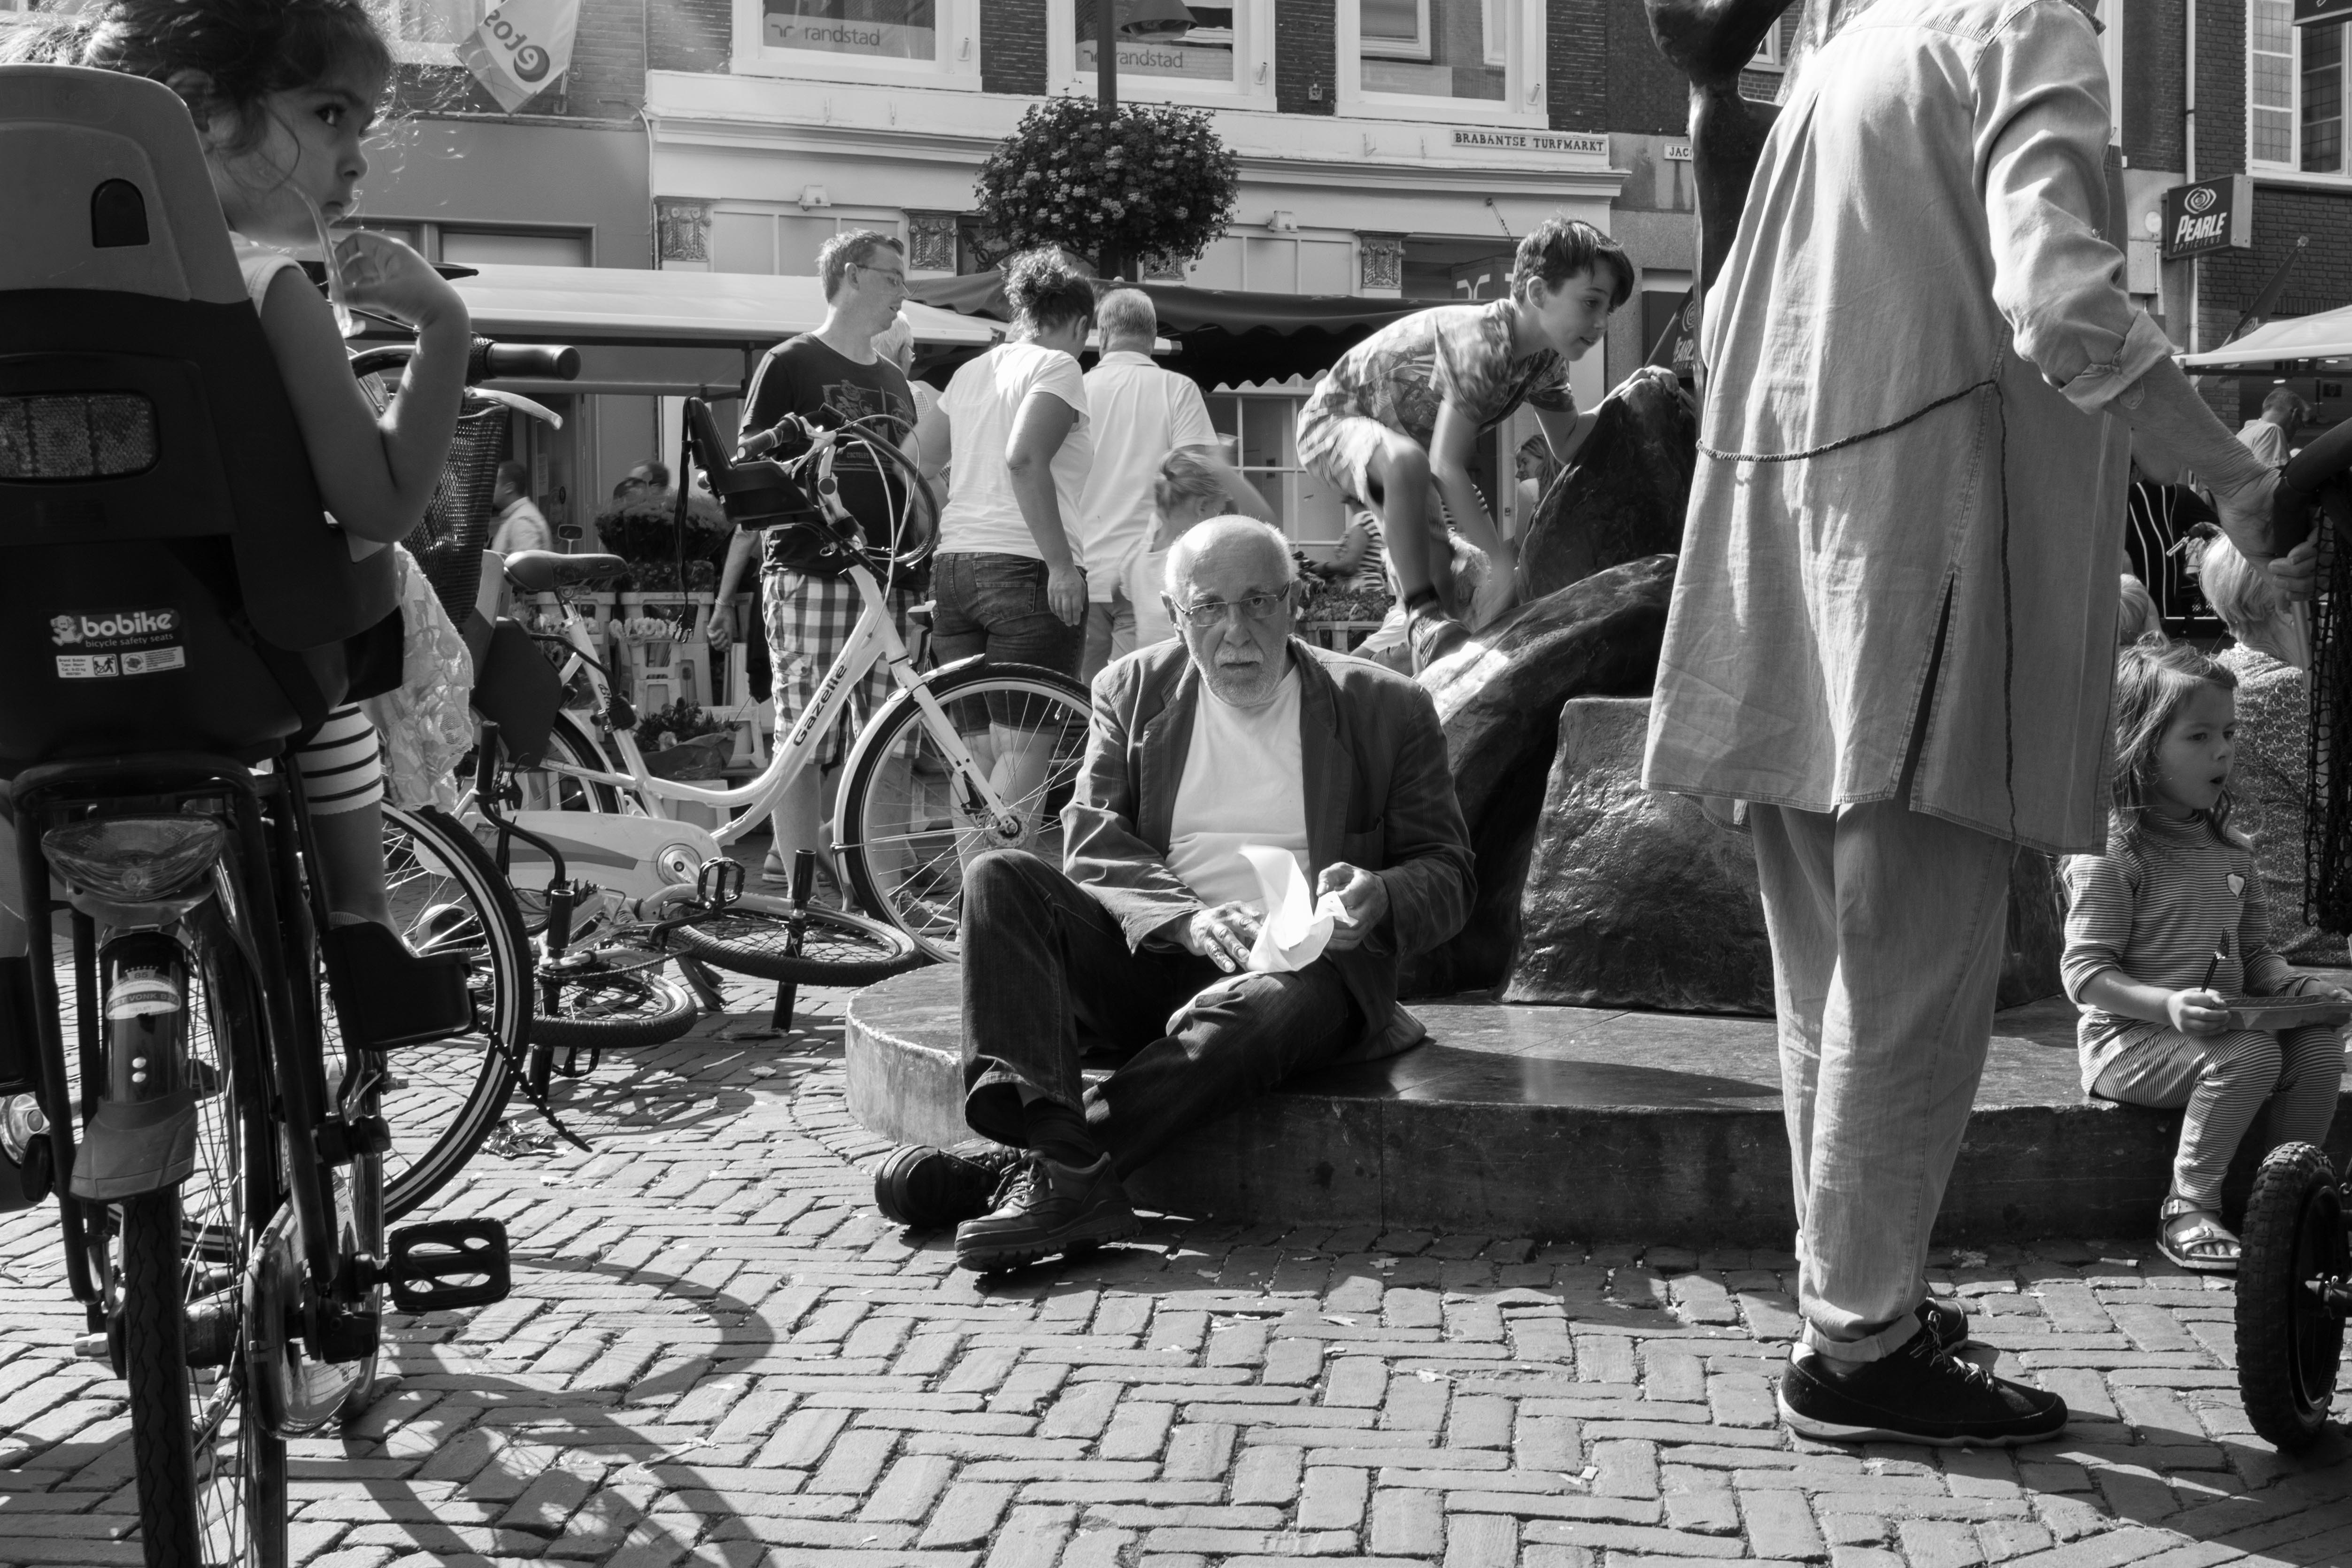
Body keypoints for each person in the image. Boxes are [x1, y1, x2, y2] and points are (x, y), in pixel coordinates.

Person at [1641, 0, 2317, 1446]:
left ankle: (1853, 1302)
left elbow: (1727, 319)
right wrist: (2233, 480)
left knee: (1830, 984)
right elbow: (2062, 307)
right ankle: (1858, 1349)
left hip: (1788, 557)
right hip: (1929, 553)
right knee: (1913, 987)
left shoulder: (1839, 54)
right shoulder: (2021, 25)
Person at [867, 518, 1474, 1272]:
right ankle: (1059, 1164)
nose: (1236, 631)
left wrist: (1380, 892)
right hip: (1158, 951)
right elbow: (1093, 839)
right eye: (1209, 607)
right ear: (1174, 612)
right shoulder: (1131, 687)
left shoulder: (1384, 704)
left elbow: (1449, 872)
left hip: (1304, 975)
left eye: (1258, 602)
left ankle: (1042, 1170)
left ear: (1295, 604)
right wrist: (1187, 920)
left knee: (1270, 1002)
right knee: (1000, 876)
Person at [3, 1, 470, 946]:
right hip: (233, 675)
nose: (356, 159)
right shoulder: (266, 292)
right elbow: (382, 501)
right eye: (331, 114)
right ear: (198, 110)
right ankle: (360, 921)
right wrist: (442, 325)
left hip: (25, 674)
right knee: (332, 662)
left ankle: (13, 978)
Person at [2062, 636, 2350, 1271]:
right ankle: (2187, 1204)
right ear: (2139, 747)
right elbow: (2085, 974)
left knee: (2319, 1044)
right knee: (2252, 1052)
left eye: (2228, 732)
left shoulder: (2231, 848)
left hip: (2211, 1035)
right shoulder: (2112, 853)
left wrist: (2298, 990)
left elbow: (2255, 953)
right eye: (2198, 736)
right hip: (2128, 1045)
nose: (2222, 749)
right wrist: (2168, 1005)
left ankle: (2288, 1203)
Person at [1296, 216, 1650, 669]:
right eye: (1590, 302)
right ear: (1538, 292)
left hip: (1408, 459)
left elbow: (1567, 441)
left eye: (1608, 311)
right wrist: (1499, 563)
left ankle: (1409, 673)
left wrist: (1632, 393)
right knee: (1408, 467)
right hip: (1331, 425)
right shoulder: (1486, 340)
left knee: (1443, 585)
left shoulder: (1544, 362)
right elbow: (1446, 463)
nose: (1600, 323)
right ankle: (1420, 617)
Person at [709, 230, 920, 891]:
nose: (902, 293)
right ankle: (803, 893)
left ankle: (881, 894)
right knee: (804, 736)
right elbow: (748, 461)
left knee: (892, 740)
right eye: (892, 278)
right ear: (852, 276)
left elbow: (912, 473)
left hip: (886, 575)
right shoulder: (791, 361)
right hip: (810, 567)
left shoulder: (894, 379)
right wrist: (806, 453)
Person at [906, 249, 1096, 851]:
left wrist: (959, 514)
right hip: (1025, 569)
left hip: (954, 569)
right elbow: (1023, 459)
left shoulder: (969, 373)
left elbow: (914, 461)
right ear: (1080, 323)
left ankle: (978, 893)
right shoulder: (1058, 366)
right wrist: (1061, 565)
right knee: (1022, 749)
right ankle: (1005, 894)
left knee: (977, 757)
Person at [1076, 288, 1269, 680]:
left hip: (1082, 571)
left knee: (1084, 699)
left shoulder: (1074, 390)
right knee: (1145, 691)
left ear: (1103, 334)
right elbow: (1197, 475)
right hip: (1152, 574)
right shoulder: (1177, 389)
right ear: (1152, 336)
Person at [2199, 536, 2337, 963]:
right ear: (2284, 601)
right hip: (2307, 925)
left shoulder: (2227, 671)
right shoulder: (2284, 689)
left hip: (2257, 915)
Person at [1124, 451, 1240, 655]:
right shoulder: (1198, 559)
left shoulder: (1137, 556)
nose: (1221, 519)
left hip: (1152, 666)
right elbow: (1266, 523)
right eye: (1220, 511)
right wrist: (1224, 469)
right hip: (1186, 667)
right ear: (1202, 506)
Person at [488, 459, 551, 556]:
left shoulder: (522, 522)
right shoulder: (515, 517)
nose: (491, 488)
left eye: (495, 483)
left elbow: (529, 565)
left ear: (509, 488)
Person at [2237, 387, 2309, 470]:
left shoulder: (2243, 433)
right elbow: (2272, 477)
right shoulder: (2272, 430)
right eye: (2299, 425)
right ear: (2295, 415)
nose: (2296, 432)